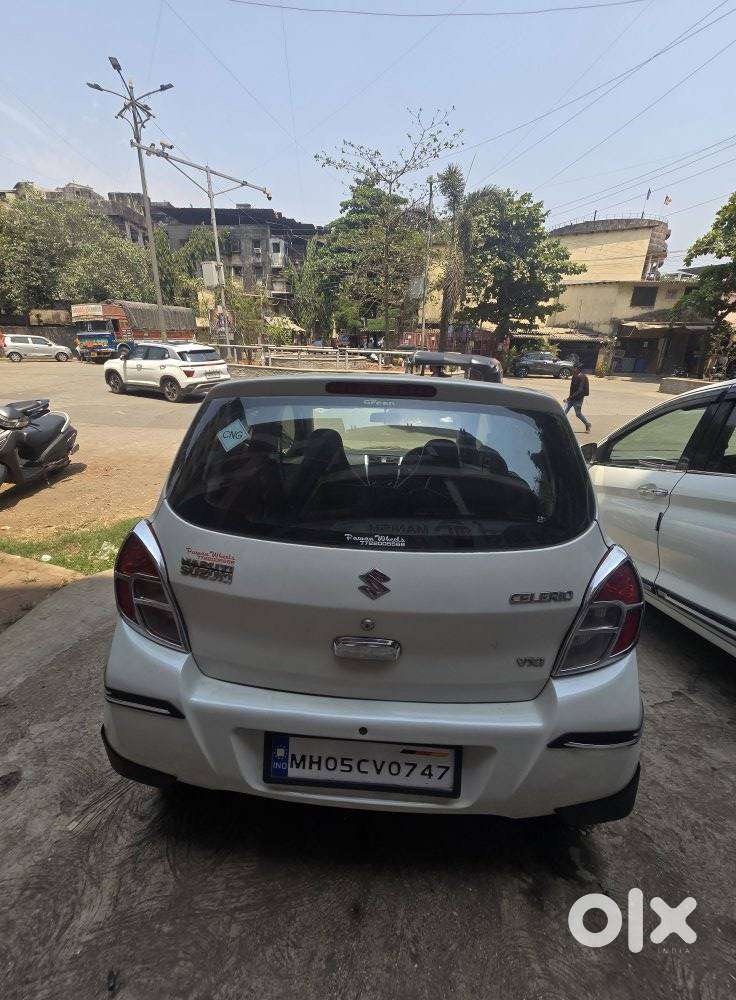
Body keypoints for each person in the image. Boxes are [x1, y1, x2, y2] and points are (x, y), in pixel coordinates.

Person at [564, 364, 591, 432]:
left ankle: (587, 424)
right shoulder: (574, 375)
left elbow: (580, 390)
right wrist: (570, 398)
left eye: (574, 368)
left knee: (578, 414)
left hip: (578, 399)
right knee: (563, 412)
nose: (573, 369)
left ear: (578, 369)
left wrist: (569, 398)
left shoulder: (582, 377)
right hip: (571, 399)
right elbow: (572, 388)